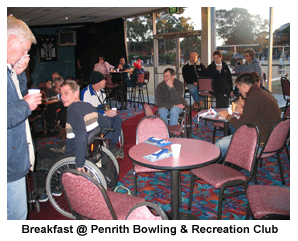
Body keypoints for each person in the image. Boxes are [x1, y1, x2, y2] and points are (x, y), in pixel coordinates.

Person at [7, 16, 42, 220]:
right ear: (11, 41)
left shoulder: (8, 70)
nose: (26, 55)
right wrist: (26, 105)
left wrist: (19, 73)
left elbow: (15, 98)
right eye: (25, 49)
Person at [215, 73, 281, 161]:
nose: (239, 92)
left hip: (261, 143)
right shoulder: (264, 93)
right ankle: (231, 160)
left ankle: (208, 168)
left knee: (220, 144)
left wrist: (227, 116)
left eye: (239, 89)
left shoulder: (253, 98)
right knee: (233, 134)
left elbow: (240, 125)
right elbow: (259, 114)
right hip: (273, 139)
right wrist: (244, 111)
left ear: (244, 86)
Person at [81, 71, 124, 158]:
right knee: (107, 121)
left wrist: (108, 110)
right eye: (103, 80)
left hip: (101, 115)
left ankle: (112, 146)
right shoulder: (86, 93)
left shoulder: (102, 93)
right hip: (90, 118)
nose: (105, 81)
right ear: (97, 82)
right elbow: (88, 111)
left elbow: (102, 106)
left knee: (117, 117)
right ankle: (105, 147)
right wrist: (104, 113)